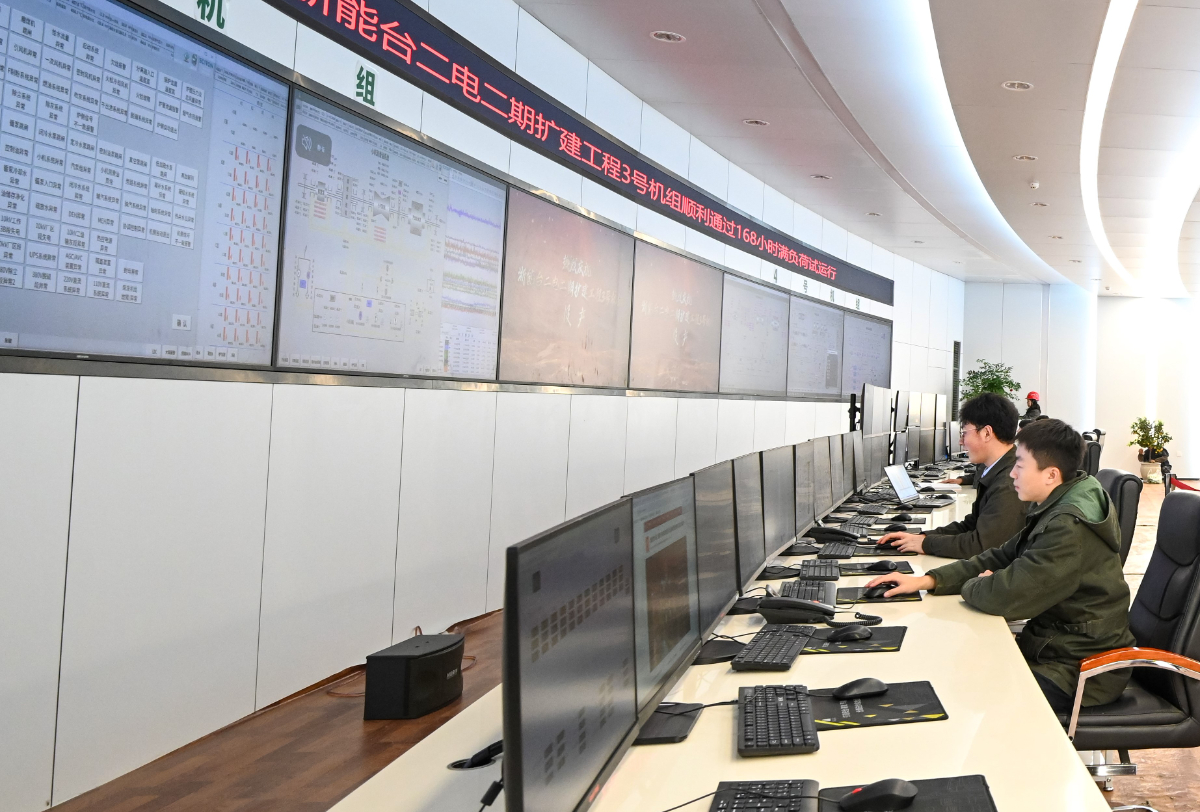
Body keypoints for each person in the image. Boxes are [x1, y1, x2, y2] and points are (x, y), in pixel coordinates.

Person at [865, 419, 1134, 714]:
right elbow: (1001, 556)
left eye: (1020, 464)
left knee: (965, 690)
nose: (1013, 473)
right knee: (957, 664)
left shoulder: (1068, 527)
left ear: (1051, 474)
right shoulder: (1061, 500)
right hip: (1055, 646)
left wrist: (981, 583)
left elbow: (1003, 597)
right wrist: (928, 580)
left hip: (1080, 669)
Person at [880, 393, 1025, 558]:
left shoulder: (1009, 482)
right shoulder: (997, 470)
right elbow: (971, 525)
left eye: (964, 433)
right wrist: (922, 537)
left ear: (986, 433)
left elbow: (981, 545)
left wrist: (926, 544)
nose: (961, 442)